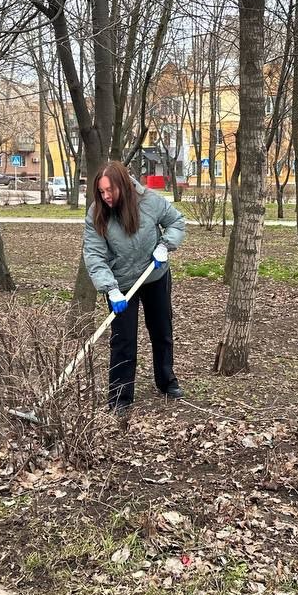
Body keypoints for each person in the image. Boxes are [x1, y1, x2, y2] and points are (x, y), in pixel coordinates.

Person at [82, 161, 187, 414]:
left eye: (110, 190)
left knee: (161, 330)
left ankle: (166, 381)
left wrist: (166, 245)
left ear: (124, 185)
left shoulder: (149, 202)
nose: (106, 196)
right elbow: (94, 255)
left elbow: (176, 221)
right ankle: (120, 396)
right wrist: (110, 289)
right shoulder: (97, 213)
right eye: (101, 192)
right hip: (121, 285)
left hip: (154, 276)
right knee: (123, 340)